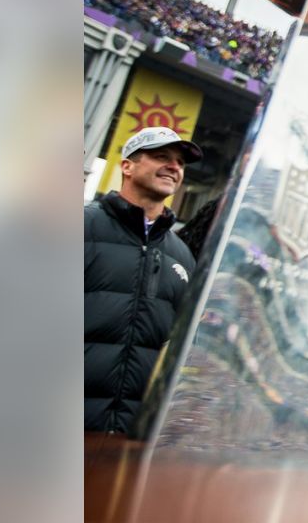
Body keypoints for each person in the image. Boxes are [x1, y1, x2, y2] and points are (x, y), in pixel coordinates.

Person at [85, 127, 202, 433]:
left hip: (131, 433)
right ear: (127, 166)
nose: (174, 167)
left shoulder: (182, 256)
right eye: (161, 156)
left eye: (180, 162)